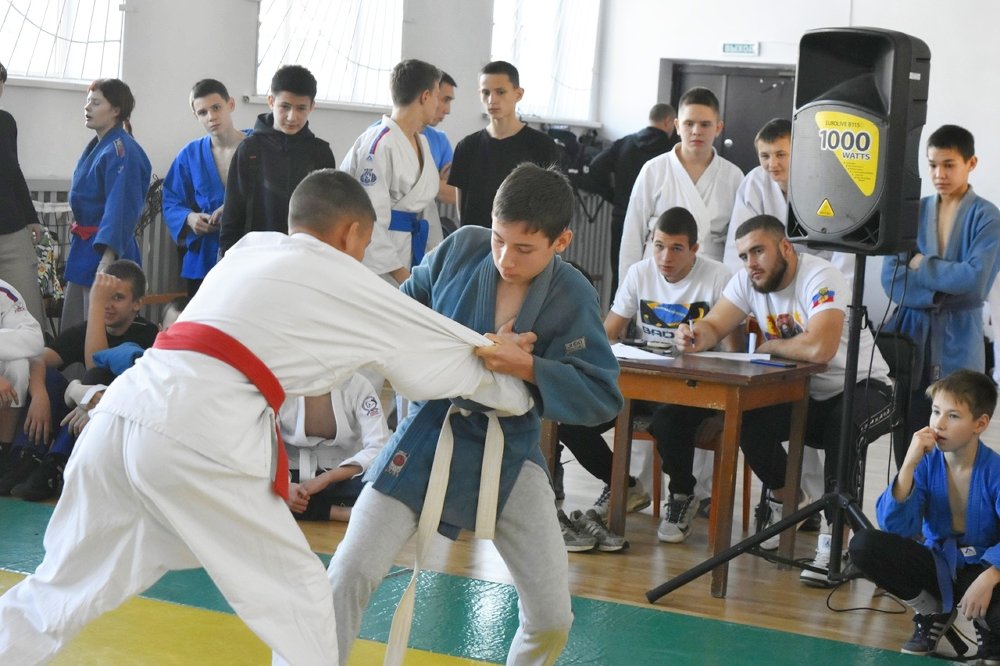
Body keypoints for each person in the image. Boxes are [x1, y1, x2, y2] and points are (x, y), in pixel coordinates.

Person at [0, 169, 535, 666]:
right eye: (366, 243)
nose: (363, 256)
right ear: (351, 232)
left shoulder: (247, 249)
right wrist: (516, 378)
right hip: (195, 434)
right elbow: (438, 356)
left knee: (60, 587)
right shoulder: (346, 281)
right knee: (301, 599)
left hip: (120, 416)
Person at [328, 163, 622, 666]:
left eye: (524, 248)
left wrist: (526, 365)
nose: (506, 257)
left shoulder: (572, 294)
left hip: (508, 453)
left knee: (553, 618)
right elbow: (400, 320)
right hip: (425, 437)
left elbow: (601, 395)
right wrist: (478, 352)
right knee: (346, 576)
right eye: (500, 240)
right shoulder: (462, 248)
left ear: (562, 241)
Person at [665, 215, 892, 553]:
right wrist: (694, 336)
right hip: (804, 394)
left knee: (842, 427)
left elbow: (820, 349)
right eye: (743, 256)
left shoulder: (821, 276)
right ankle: (787, 501)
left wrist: (770, 347)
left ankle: (837, 541)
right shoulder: (748, 280)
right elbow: (714, 325)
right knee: (749, 420)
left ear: (786, 247)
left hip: (863, 386)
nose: (750, 263)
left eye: (758, 251)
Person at [558, 206, 735, 548]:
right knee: (570, 419)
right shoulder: (640, 273)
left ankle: (682, 496)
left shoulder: (719, 277)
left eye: (676, 248)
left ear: (695, 249)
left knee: (668, 420)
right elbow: (608, 333)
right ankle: (623, 485)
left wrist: (718, 405)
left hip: (694, 389)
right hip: (641, 382)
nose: (665, 257)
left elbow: (733, 349)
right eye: (658, 246)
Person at [849, 370, 1000, 661]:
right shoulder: (926, 463)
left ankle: (988, 627)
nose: (939, 424)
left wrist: (992, 574)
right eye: (935, 411)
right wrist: (908, 464)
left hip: (983, 567)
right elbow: (896, 528)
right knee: (864, 545)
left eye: (953, 416)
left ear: (980, 424)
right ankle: (933, 612)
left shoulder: (994, 471)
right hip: (938, 562)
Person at [882, 125, 1000, 458]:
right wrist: (938, 291)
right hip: (912, 334)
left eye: (949, 165)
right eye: (933, 164)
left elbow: (975, 281)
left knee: (957, 437)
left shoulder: (987, 216)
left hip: (959, 337)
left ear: (971, 163)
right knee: (909, 433)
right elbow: (891, 277)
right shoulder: (913, 211)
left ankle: (954, 508)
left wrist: (920, 264)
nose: (939, 174)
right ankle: (907, 504)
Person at [1, 260, 158, 501]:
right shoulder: (86, 329)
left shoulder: (147, 334)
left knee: (95, 381)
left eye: (117, 297)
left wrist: (95, 304)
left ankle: (57, 461)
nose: (108, 304)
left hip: (117, 416)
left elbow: (98, 365)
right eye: (104, 297)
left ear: (137, 303)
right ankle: (26, 454)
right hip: (83, 407)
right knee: (48, 379)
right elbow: (38, 358)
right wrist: (40, 395)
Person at [619, 87, 743, 277]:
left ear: (718, 128)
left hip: (710, 275)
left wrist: (733, 293)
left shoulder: (734, 176)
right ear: (677, 125)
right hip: (657, 272)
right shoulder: (654, 170)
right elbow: (632, 235)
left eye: (705, 125)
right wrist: (626, 289)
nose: (696, 131)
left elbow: (738, 244)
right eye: (689, 123)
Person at [341, 59, 442, 284]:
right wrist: (400, 273)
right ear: (425, 96)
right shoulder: (379, 144)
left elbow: (428, 210)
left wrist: (433, 260)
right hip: (382, 259)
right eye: (437, 95)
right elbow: (367, 216)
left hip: (413, 252)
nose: (438, 104)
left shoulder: (422, 142)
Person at [62, 78, 152, 330]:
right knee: (76, 326)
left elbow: (120, 206)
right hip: (85, 248)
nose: (87, 107)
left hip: (108, 251)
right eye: (87, 102)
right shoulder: (101, 146)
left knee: (100, 328)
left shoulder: (124, 151)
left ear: (116, 110)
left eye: (96, 102)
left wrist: (107, 258)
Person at [218, 64, 336, 255]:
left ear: (312, 107)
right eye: (285, 107)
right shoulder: (249, 150)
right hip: (254, 255)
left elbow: (327, 218)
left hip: (302, 257)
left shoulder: (321, 153)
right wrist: (225, 259)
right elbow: (232, 215)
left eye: (301, 108)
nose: (292, 117)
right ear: (271, 101)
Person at [163, 78, 249, 296]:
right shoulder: (189, 154)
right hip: (205, 258)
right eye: (203, 112)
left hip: (248, 252)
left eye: (216, 108)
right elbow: (171, 200)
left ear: (231, 104)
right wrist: (189, 218)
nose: (211, 117)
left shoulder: (257, 146)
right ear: (196, 116)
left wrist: (231, 207)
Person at [580, 103, 678, 295]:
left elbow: (595, 167)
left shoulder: (625, 143)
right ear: (668, 121)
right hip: (659, 224)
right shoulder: (671, 151)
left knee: (621, 272)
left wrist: (613, 196)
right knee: (656, 277)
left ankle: (617, 320)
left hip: (622, 216)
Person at [448, 61, 559, 229]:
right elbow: (462, 209)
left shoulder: (542, 146)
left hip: (521, 244)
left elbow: (552, 203)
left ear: (518, 94)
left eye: (500, 92)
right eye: (486, 93)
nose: (492, 100)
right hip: (476, 243)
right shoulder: (467, 147)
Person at [279, 373, 390, 522]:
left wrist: (328, 478)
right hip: (291, 473)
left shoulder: (357, 384)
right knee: (256, 491)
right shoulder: (281, 383)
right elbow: (264, 446)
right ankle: (339, 512)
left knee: (387, 489)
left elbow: (379, 448)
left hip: (343, 476)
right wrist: (284, 485)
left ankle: (307, 509)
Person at [0, 61, 46, 331]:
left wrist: (32, 218)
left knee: (28, 315)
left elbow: (14, 172)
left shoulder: (6, 122)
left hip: (13, 232)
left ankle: (36, 373)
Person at [0, 279, 44, 477]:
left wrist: (40, 392)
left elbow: (35, 341)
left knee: (18, 365)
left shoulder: (4, 292)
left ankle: (4, 452)